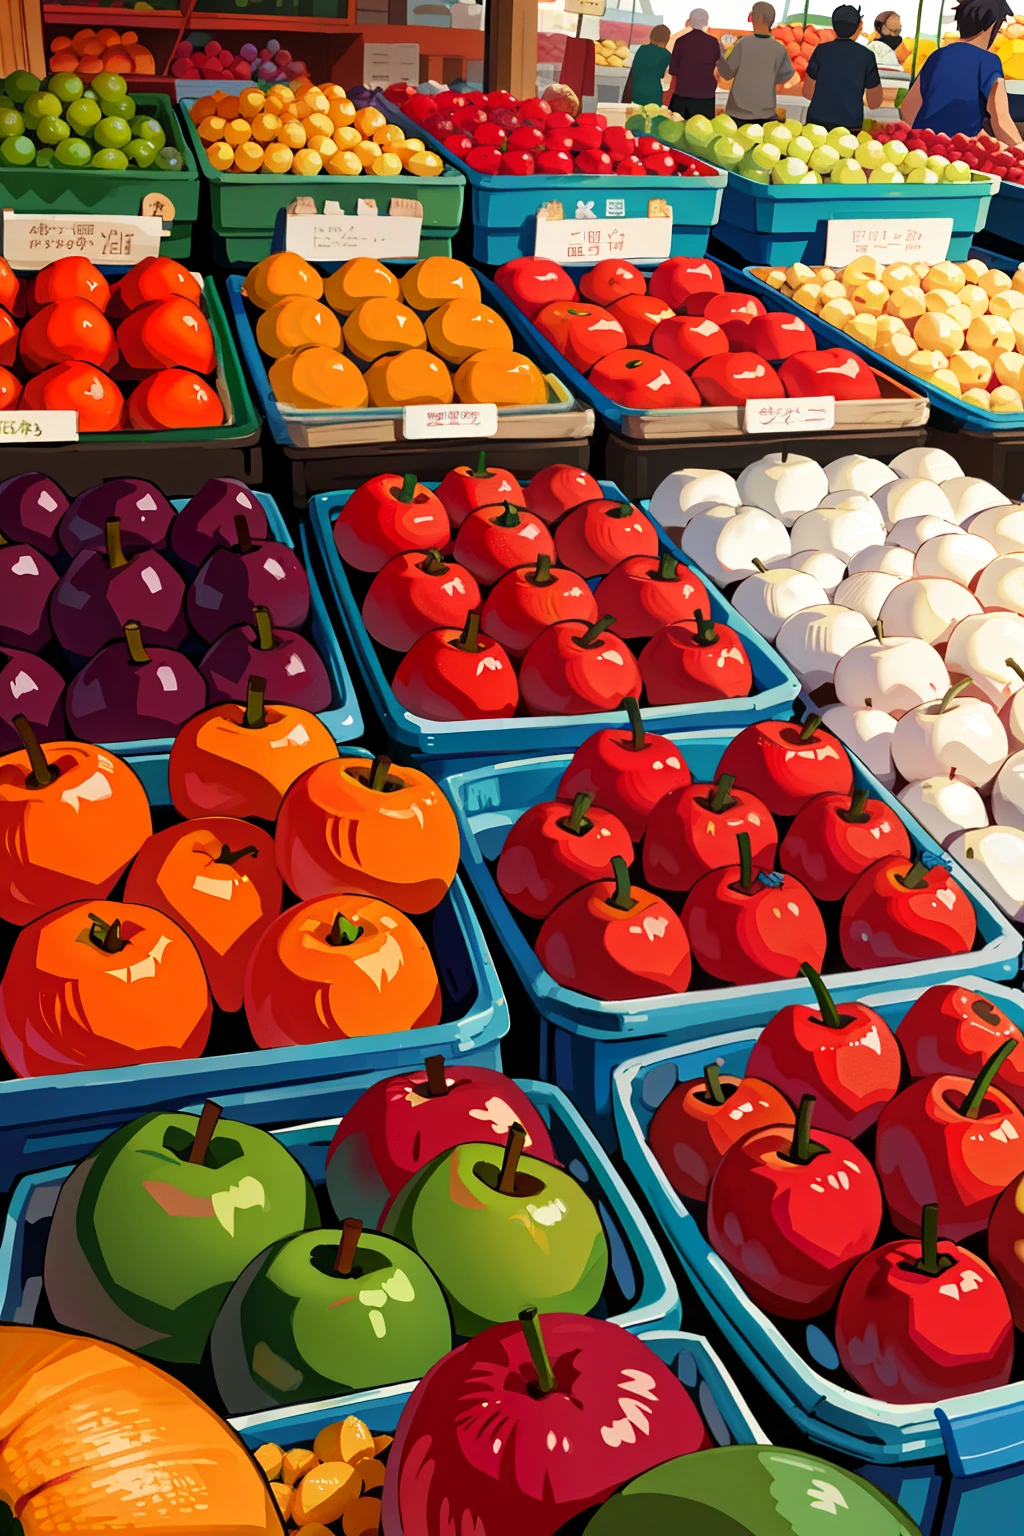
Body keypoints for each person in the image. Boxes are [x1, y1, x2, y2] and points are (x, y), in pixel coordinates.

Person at [900, 0, 1022, 143]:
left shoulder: (938, 55)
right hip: (959, 151)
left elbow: (908, 108)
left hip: (923, 145)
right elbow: (1000, 117)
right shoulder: (989, 62)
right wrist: (1019, 146)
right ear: (992, 24)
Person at [803, 5, 884, 133]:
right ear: (858, 27)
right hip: (849, 127)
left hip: (816, 124)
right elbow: (874, 102)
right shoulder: (866, 56)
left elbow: (807, 92)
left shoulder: (821, 51)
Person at [717, 3, 795, 125]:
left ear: (759, 18)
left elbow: (726, 74)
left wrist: (719, 55)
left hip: (737, 114)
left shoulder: (743, 44)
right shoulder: (779, 49)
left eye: (753, 13)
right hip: (766, 115)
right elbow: (783, 78)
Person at [666, 10, 723, 117]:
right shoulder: (714, 42)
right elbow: (720, 68)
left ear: (690, 21)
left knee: (675, 130)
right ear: (706, 22)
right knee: (703, 131)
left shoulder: (680, 41)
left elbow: (673, 70)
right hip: (706, 99)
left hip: (682, 97)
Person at [624, 24, 673, 107]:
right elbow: (662, 75)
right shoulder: (667, 55)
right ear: (667, 39)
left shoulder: (642, 49)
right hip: (653, 94)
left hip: (636, 92)